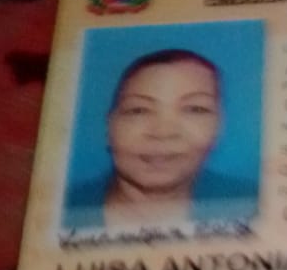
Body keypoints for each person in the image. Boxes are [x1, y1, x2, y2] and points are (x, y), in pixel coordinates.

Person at [65, 48, 254, 228]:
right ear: (109, 126)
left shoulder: (258, 204)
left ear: (219, 127)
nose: (163, 132)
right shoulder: (58, 208)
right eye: (138, 110)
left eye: (194, 109)